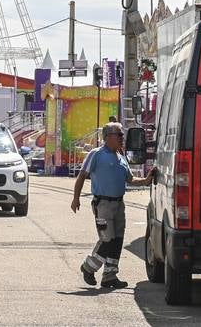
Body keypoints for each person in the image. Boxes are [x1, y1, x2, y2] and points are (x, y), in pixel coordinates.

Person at [70, 122, 158, 290]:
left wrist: (147, 180)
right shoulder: (96, 154)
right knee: (107, 240)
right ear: (108, 137)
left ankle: (110, 275)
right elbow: (82, 176)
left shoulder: (121, 157)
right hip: (103, 204)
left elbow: (130, 179)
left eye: (122, 135)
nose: (122, 138)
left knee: (117, 241)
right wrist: (76, 198)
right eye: (119, 135)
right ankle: (88, 267)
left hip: (119, 205)